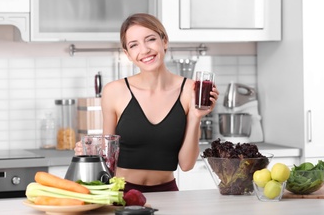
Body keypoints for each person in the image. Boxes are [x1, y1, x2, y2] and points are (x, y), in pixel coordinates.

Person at [75, 13, 219, 192]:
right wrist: (89, 153)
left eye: (150, 39)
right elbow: (107, 156)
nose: (144, 50)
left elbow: (187, 164)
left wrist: (197, 116)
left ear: (164, 41)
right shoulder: (114, 91)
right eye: (134, 45)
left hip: (168, 193)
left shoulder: (190, 90)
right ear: (128, 54)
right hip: (121, 194)